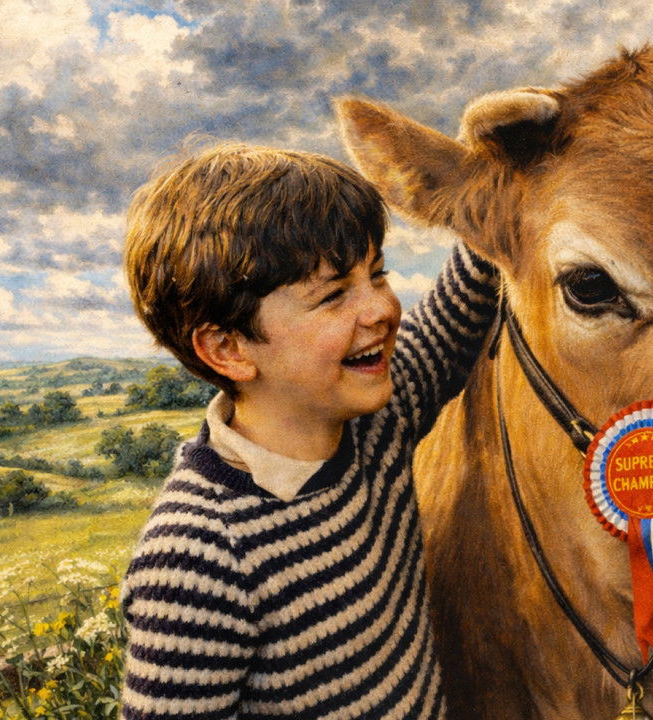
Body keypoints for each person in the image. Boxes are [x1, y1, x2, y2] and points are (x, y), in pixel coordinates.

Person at [117, 142, 497, 720]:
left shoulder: (375, 424)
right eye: (334, 295)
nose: (382, 309)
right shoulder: (199, 555)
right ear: (229, 348)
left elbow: (454, 314)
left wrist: (510, 174)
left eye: (378, 274)